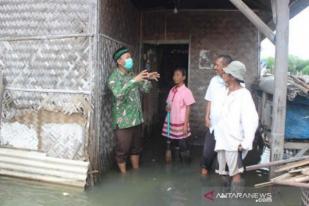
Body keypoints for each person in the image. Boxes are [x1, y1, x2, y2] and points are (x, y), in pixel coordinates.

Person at [108, 47, 160, 174]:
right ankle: (124, 177)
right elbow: (119, 94)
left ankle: (136, 174)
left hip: (137, 119)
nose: (130, 60)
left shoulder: (132, 75)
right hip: (123, 122)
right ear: (119, 62)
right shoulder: (114, 78)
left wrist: (147, 78)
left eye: (130, 57)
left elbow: (146, 90)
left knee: (136, 149)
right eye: (127, 57)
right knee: (122, 151)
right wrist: (133, 81)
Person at [215, 61, 258, 189]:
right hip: (222, 139)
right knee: (223, 173)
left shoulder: (244, 95)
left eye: (226, 72)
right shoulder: (225, 91)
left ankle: (236, 199)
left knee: (235, 174)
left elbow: (251, 120)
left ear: (232, 76)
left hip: (234, 141)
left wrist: (246, 141)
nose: (223, 73)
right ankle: (225, 199)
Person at [201, 55, 233, 176]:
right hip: (213, 125)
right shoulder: (214, 80)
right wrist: (206, 116)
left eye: (217, 65)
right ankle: (204, 182)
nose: (215, 67)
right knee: (207, 154)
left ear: (225, 67)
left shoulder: (235, 83)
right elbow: (210, 99)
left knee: (229, 159)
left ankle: (227, 186)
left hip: (228, 129)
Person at [161, 68, 195, 163]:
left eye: (177, 75)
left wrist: (185, 125)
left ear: (183, 77)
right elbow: (168, 104)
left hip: (180, 121)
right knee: (170, 141)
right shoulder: (172, 90)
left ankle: (186, 162)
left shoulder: (186, 91)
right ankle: (175, 160)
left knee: (182, 143)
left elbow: (188, 108)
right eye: (174, 75)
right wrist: (167, 107)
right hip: (171, 120)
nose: (174, 77)